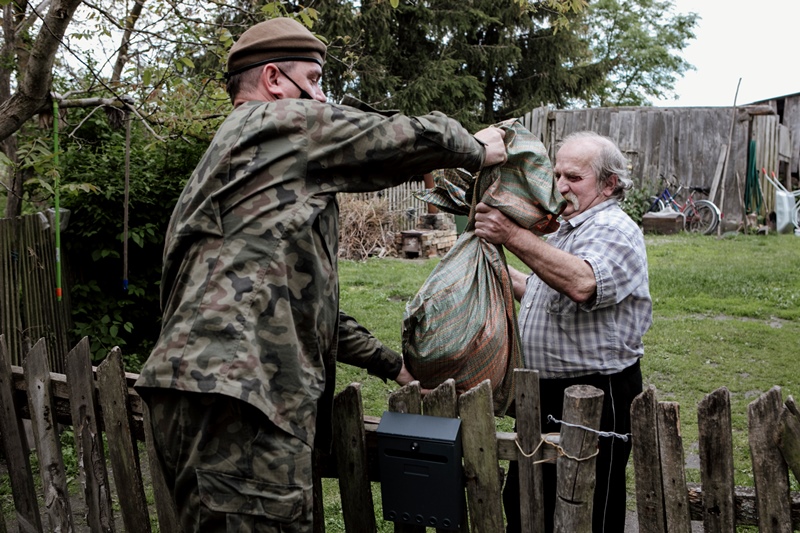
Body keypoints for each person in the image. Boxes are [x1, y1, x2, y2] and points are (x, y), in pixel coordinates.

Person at [133, 16, 507, 533]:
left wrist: (393, 367)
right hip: (241, 398)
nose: (323, 98)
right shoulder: (269, 124)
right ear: (272, 80)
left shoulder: (255, 165)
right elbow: (390, 137)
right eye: (313, 80)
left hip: (214, 393)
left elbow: (305, 304)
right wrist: (477, 145)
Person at [474, 131, 652, 533]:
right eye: (556, 175)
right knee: (529, 497)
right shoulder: (567, 229)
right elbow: (541, 286)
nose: (560, 186)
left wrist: (511, 235)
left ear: (609, 183)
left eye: (574, 177)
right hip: (544, 391)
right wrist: (492, 263)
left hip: (594, 391)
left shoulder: (614, 228)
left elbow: (582, 283)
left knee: (587, 504)